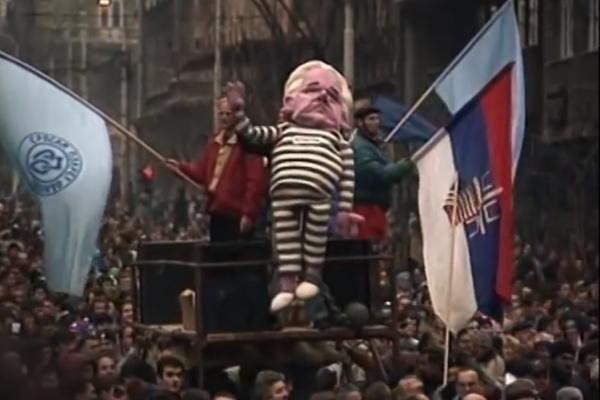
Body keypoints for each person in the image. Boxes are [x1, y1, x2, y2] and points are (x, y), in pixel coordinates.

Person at [166, 96, 268, 243]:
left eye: (228, 114)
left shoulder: (249, 143)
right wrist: (180, 168)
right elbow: (202, 172)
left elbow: (255, 182)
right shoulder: (214, 144)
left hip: (237, 215)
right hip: (217, 211)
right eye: (222, 114)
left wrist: (248, 214)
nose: (224, 118)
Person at [351, 104, 413, 242]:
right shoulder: (361, 147)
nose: (376, 122)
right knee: (369, 245)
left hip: (376, 208)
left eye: (377, 119)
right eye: (371, 119)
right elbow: (377, 174)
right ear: (360, 123)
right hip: (366, 208)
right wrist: (403, 166)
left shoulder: (373, 145)